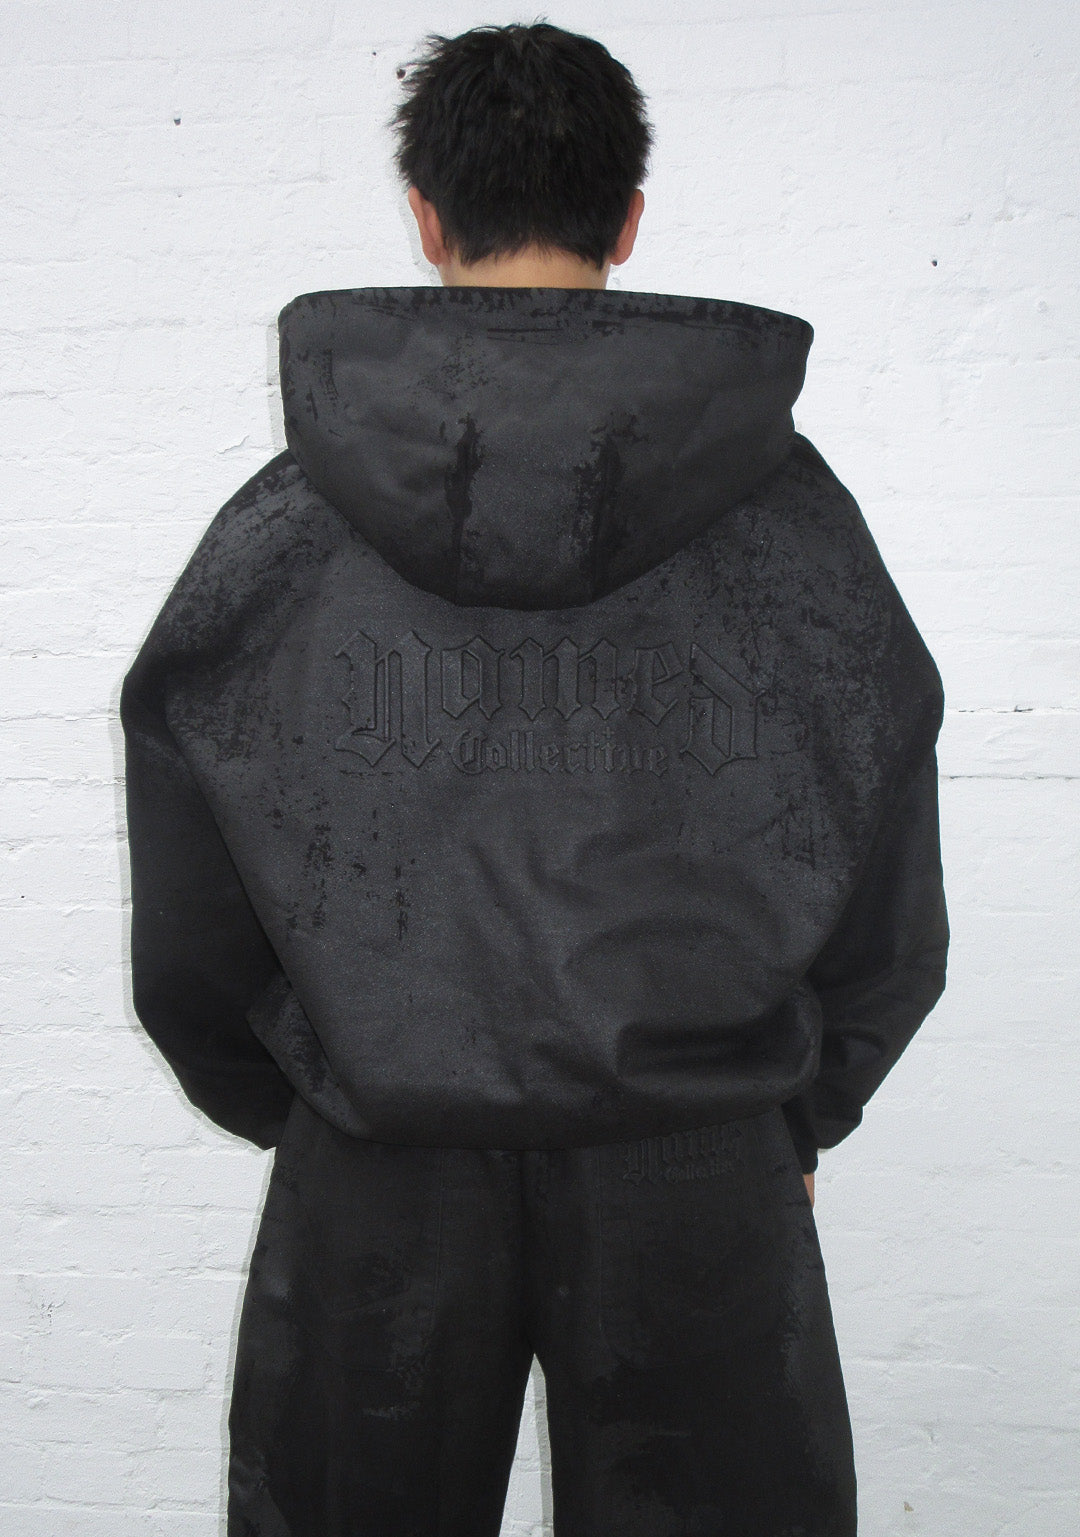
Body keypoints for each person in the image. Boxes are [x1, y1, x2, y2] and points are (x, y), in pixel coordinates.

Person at [119, 20, 949, 1537]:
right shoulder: (792, 522)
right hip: (697, 1155)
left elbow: (190, 889)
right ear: (628, 218)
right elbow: (885, 834)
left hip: (378, 1151)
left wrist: (314, 1089)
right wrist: (796, 1107)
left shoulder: (287, 526)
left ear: (425, 215)